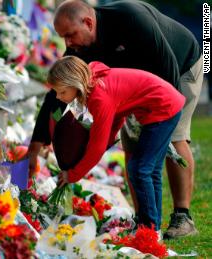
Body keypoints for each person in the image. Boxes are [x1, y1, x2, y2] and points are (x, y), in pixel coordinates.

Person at [28, 0, 203, 239]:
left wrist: (163, 125)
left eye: (70, 35)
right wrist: (38, 142)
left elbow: (168, 65)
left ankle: (182, 216)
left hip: (178, 68)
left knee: (174, 138)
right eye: (63, 38)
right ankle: (145, 221)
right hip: (134, 92)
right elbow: (57, 95)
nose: (67, 43)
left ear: (88, 23)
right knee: (133, 150)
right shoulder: (79, 52)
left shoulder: (132, 19)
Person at [50, 56, 184, 233]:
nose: (59, 97)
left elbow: (96, 147)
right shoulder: (94, 83)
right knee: (149, 170)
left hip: (163, 108)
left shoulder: (99, 96)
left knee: (139, 168)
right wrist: (107, 139)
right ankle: (152, 226)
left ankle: (149, 230)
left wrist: (73, 174)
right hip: (163, 103)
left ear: (75, 83)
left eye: (62, 92)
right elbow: (119, 114)